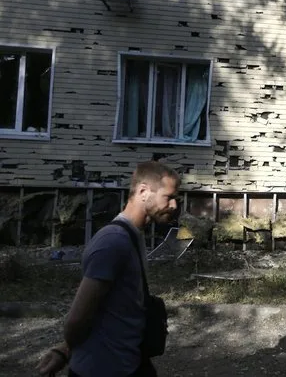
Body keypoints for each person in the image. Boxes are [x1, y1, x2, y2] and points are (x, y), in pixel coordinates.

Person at [37, 161, 181, 377]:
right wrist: (64, 351)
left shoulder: (134, 235)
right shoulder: (113, 242)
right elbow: (76, 320)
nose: (174, 206)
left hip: (128, 363)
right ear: (143, 191)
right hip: (102, 369)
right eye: (168, 197)